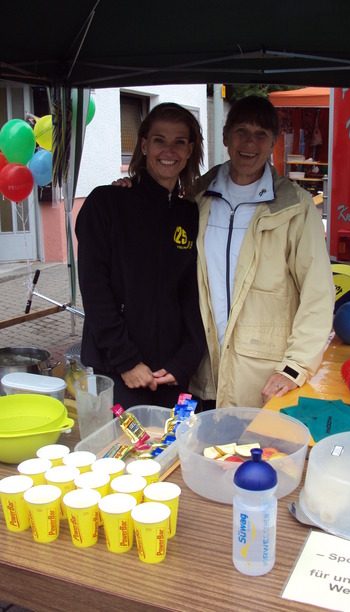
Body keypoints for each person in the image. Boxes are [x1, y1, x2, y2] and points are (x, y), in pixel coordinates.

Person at [114, 96, 335, 409]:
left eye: (260, 134)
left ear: (273, 142)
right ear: (226, 137)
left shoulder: (294, 207)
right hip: (199, 373)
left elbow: (318, 294)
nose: (249, 143)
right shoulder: (195, 196)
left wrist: (294, 366)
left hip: (262, 377)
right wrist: (131, 191)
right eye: (241, 131)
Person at [75, 102, 206, 409]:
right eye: (160, 140)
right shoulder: (106, 203)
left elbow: (189, 295)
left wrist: (185, 361)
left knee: (174, 440)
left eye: (179, 142)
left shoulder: (188, 213)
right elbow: (95, 290)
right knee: (128, 441)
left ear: (189, 150)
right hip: (117, 368)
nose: (169, 151)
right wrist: (126, 361)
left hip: (169, 373)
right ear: (145, 145)